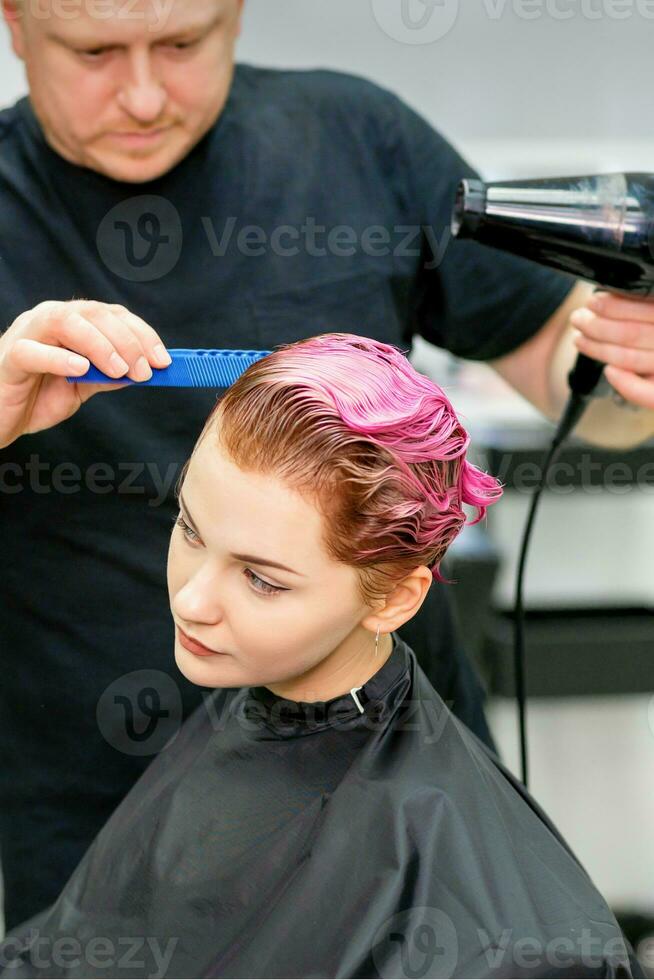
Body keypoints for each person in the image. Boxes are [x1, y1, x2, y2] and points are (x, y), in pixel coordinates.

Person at [2, 0, 654, 932]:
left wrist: (627, 376)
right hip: (96, 804)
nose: (143, 94)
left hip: (387, 792)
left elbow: (570, 371)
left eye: (183, 45)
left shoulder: (360, 140)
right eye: (94, 51)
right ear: (17, 24)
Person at [0, 331, 640, 978]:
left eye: (261, 579)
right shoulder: (246, 718)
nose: (192, 600)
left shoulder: (496, 928)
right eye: (189, 529)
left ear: (392, 598)